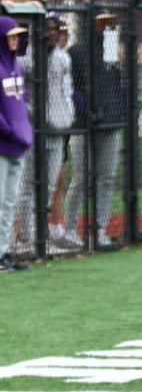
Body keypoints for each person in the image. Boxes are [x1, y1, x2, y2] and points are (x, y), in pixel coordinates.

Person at [59, 10, 124, 250]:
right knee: (81, 178)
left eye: (108, 22)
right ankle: (69, 227)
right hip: (83, 127)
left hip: (111, 123)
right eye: (102, 22)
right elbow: (71, 90)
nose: (106, 26)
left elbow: (117, 82)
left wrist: (117, 109)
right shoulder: (75, 53)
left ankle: (99, 230)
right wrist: (87, 108)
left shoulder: (110, 51)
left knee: (106, 178)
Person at [15, 13, 74, 255]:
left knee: (49, 184)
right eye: (46, 28)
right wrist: (31, 113)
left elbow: (66, 91)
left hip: (56, 129)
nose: (51, 33)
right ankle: (28, 236)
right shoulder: (25, 59)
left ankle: (42, 233)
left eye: (54, 28)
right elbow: (19, 94)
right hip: (32, 130)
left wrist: (67, 115)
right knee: (29, 183)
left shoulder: (62, 58)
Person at [0, 16, 32, 273]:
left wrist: (24, 131)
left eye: (17, 35)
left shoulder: (17, 66)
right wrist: (10, 131)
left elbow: (22, 102)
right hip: (3, 145)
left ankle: (3, 252)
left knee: (10, 201)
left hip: (19, 145)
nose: (16, 39)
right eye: (11, 35)